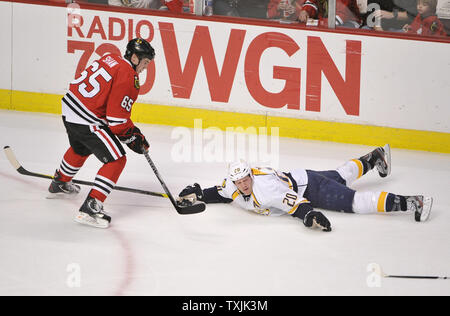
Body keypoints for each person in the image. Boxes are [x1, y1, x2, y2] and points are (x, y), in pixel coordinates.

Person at [178, 145, 433, 232]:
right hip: (301, 176)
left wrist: (309, 215)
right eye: (239, 182)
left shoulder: (266, 189)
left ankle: (412, 202)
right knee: (342, 176)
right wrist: (198, 194)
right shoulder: (231, 185)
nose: (243, 185)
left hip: (309, 189)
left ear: (250, 175)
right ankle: (373, 157)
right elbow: (219, 193)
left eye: (246, 179)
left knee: (354, 203)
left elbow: (295, 203)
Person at [48, 38, 155, 229]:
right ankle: (91, 207)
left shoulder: (110, 57)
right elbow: (116, 121)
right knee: (116, 160)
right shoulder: (129, 77)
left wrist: (132, 134)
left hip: (70, 110)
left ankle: (59, 182)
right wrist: (134, 138)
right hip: (87, 119)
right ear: (135, 58)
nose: (145, 68)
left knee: (80, 148)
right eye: (145, 62)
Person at [297, 0, 362, 28]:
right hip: (324, 21)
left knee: (340, 31)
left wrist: (317, 23)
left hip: (350, 22)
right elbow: (312, 2)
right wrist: (305, 11)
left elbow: (338, 19)